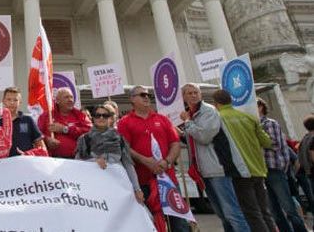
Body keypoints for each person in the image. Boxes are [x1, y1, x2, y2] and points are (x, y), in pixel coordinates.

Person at [116, 85, 188, 232]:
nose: (146, 97)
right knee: (150, 223)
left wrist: (167, 161)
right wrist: (145, 160)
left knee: (179, 223)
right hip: (143, 181)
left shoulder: (162, 119)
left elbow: (175, 143)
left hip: (168, 179)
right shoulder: (125, 122)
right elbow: (125, 148)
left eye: (148, 95)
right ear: (132, 99)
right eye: (142, 94)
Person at [179, 83, 250, 232]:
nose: (193, 95)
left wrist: (187, 123)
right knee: (222, 213)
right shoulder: (192, 114)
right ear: (184, 97)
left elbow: (204, 136)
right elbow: (193, 139)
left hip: (219, 168)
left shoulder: (208, 111)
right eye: (189, 93)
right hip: (205, 171)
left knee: (232, 212)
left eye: (195, 92)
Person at [212, 89, 276, 232]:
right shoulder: (248, 117)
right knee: (264, 211)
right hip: (259, 169)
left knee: (251, 213)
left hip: (240, 170)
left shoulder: (218, 118)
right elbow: (267, 142)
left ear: (216, 104)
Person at [256, 97, 307, 232]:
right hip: (263, 170)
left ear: (261, 107)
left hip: (274, 169)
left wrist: (256, 138)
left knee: (288, 207)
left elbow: (274, 143)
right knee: (274, 210)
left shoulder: (269, 123)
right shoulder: (257, 124)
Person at [75, 104, 143, 203]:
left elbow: (128, 165)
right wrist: (94, 161)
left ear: (110, 119)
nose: (101, 118)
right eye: (97, 115)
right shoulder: (84, 139)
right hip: (95, 190)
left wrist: (137, 189)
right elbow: (77, 164)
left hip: (120, 187)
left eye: (105, 115)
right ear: (93, 118)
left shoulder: (119, 139)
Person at [38, 87, 91, 158]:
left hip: (78, 159)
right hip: (53, 160)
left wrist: (65, 129)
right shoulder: (46, 116)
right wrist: (46, 140)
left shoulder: (80, 115)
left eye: (71, 97)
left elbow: (89, 132)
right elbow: (37, 134)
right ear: (57, 100)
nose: (70, 100)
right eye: (66, 97)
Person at [0, 87, 46, 156]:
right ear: (3, 101)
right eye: (9, 99)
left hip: (25, 163)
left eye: (15, 100)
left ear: (20, 102)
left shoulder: (28, 120)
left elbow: (41, 147)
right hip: (4, 164)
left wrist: (28, 154)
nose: (12, 102)